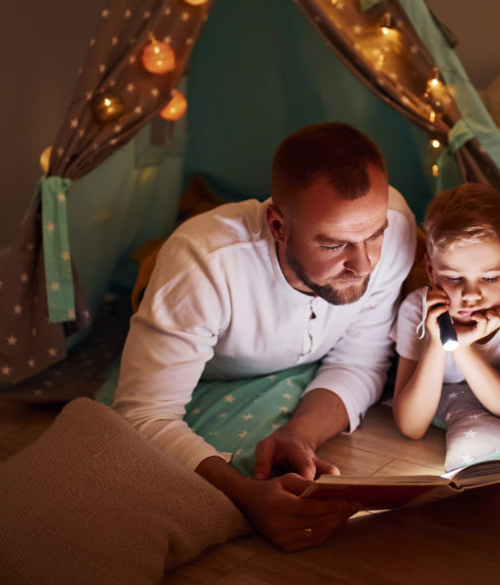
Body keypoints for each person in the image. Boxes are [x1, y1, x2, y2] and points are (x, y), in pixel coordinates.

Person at [113, 122, 417, 551]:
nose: (364, 265)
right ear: (277, 225)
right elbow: (142, 414)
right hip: (198, 338)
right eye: (334, 245)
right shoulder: (204, 263)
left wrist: (299, 435)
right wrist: (245, 496)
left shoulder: (398, 225)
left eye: (375, 234)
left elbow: (361, 361)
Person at [391, 182, 500, 440]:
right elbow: (411, 426)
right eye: (454, 278)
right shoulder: (416, 310)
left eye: (490, 278)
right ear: (431, 270)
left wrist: (460, 348)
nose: (471, 295)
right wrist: (439, 342)